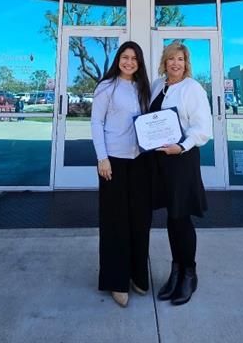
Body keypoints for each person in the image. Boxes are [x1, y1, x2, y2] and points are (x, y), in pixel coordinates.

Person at [150, 41, 212, 306]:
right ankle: (175, 271)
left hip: (182, 159)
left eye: (180, 59)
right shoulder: (157, 85)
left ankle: (189, 273)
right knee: (171, 218)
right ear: (164, 62)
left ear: (186, 64)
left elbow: (203, 129)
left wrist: (181, 146)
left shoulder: (192, 88)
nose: (175, 64)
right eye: (171, 59)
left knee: (181, 216)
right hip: (159, 162)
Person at [91, 41, 152, 308]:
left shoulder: (143, 88)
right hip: (113, 162)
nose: (129, 62)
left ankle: (137, 274)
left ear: (139, 63)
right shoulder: (107, 87)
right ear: (118, 60)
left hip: (139, 161)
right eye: (125, 57)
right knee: (115, 222)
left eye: (134, 58)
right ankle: (116, 281)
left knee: (140, 220)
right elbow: (96, 122)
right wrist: (102, 158)